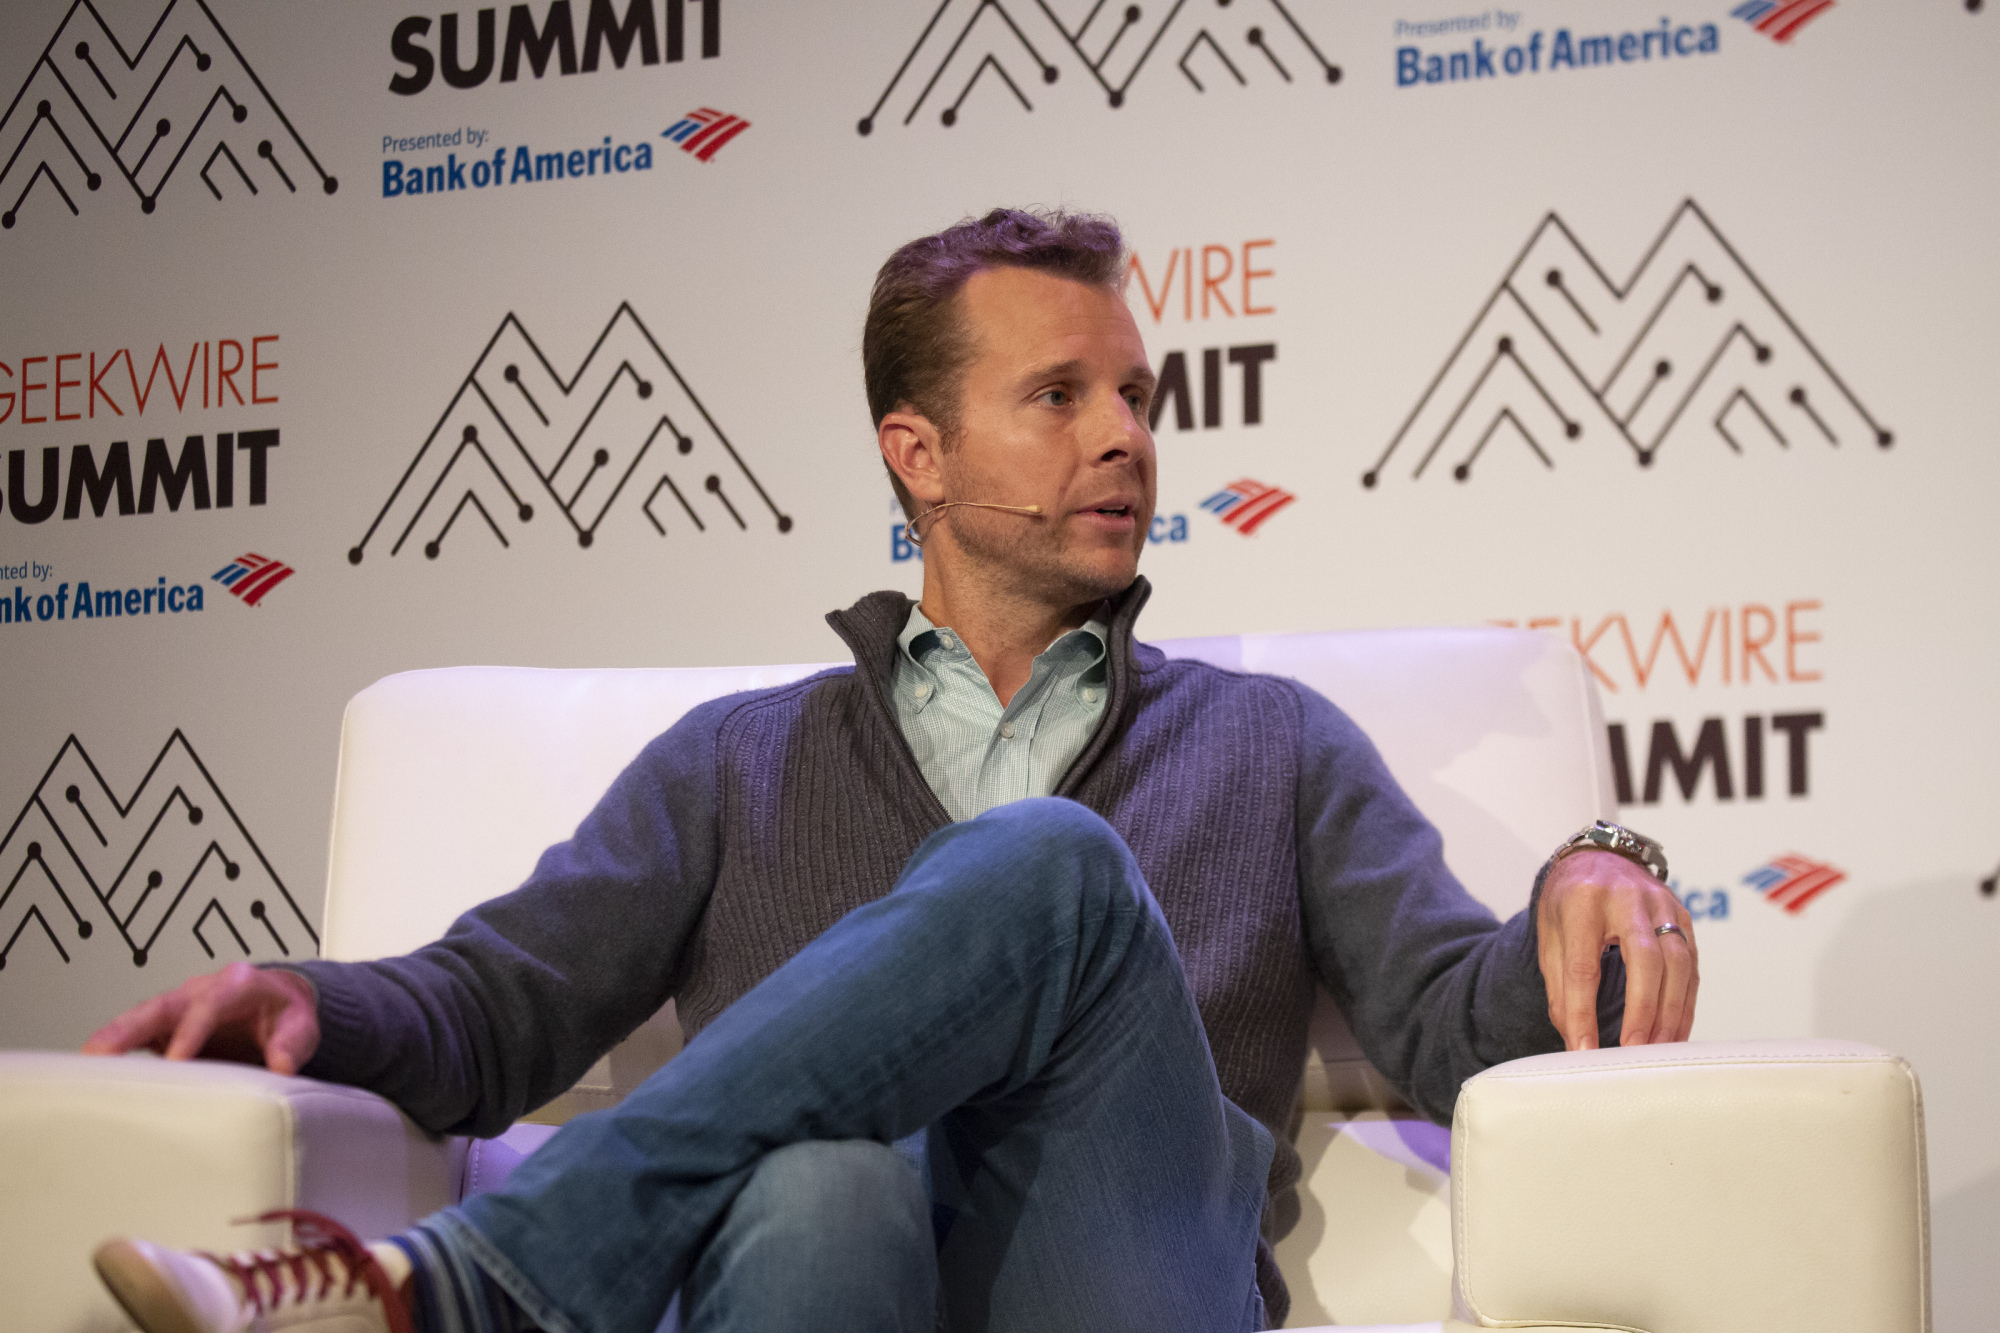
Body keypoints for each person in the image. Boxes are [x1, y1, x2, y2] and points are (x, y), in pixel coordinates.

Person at [82, 208, 1697, 1333]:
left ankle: (484, 1283)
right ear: (917, 453)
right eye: (1058, 396)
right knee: (820, 1189)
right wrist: (313, 1000)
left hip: (1123, 1277)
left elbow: (1456, 1026)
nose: (1127, 436)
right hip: (820, 1281)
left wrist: (1597, 867)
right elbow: (499, 1005)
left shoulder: (1271, 745)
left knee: (1052, 862)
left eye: (1135, 395)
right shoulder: (740, 764)